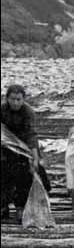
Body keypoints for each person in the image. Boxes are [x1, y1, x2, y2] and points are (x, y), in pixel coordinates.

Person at [1, 84, 50, 223]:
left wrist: (34, 158)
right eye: (12, 99)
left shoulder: (28, 112)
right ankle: (3, 206)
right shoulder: (2, 109)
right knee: (4, 172)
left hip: (24, 147)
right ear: (7, 98)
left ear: (23, 99)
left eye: (18, 99)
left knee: (27, 172)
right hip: (5, 145)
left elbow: (31, 135)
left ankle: (21, 206)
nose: (15, 102)